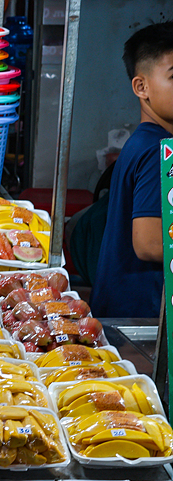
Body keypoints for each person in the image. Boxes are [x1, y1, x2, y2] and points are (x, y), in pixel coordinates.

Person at [91, 22, 173, 318]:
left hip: (123, 306)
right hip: (140, 315)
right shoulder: (157, 150)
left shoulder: (143, 141)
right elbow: (150, 244)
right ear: (141, 87)